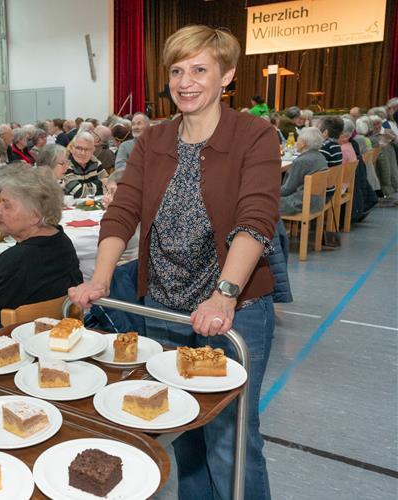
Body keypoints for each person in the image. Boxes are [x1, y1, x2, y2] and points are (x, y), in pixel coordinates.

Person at [69, 26, 280, 500]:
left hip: (234, 315)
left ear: (227, 75)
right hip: (164, 311)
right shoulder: (154, 140)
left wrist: (224, 295)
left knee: (230, 442)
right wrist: (99, 279)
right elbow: (122, 212)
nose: (185, 81)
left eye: (200, 69)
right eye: (177, 70)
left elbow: (256, 219)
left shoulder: (254, 135)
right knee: (181, 434)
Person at [0, 165, 82, 319]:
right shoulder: (61, 242)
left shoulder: (18, 261)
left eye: (7, 205)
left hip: (11, 338)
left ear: (35, 215)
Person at [279, 127, 328, 215]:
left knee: (262, 203)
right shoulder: (320, 156)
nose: (296, 143)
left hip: (300, 202)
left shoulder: (301, 161)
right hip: (316, 201)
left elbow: (287, 189)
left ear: (303, 143)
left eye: (297, 141)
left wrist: (268, 192)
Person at [63, 132, 108, 197]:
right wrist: (100, 183)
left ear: (93, 150)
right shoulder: (65, 164)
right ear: (72, 148)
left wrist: (85, 188)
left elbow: (108, 184)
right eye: (79, 148)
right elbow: (78, 192)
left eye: (87, 149)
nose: (83, 153)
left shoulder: (94, 161)